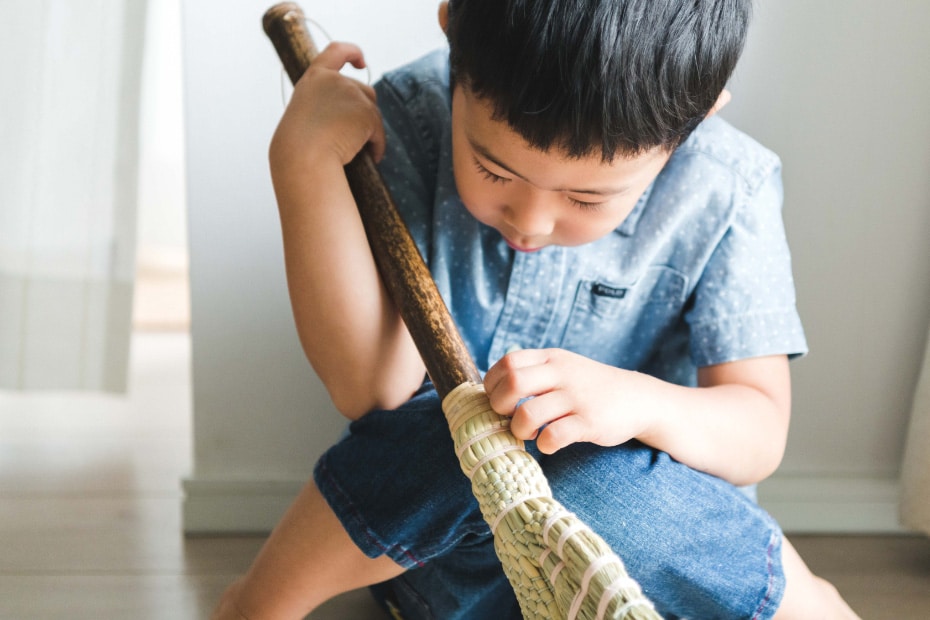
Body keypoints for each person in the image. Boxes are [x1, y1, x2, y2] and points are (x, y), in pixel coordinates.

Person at [214, 0, 859, 618]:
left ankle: (800, 600)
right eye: (493, 171)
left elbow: (758, 432)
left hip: (647, 570)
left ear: (695, 119)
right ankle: (254, 607)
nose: (532, 219)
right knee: (477, 437)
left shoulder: (728, 187)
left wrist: (632, 404)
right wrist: (304, 165)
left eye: (586, 198)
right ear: (453, 43)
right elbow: (370, 390)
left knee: (590, 471)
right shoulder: (401, 124)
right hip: (461, 576)